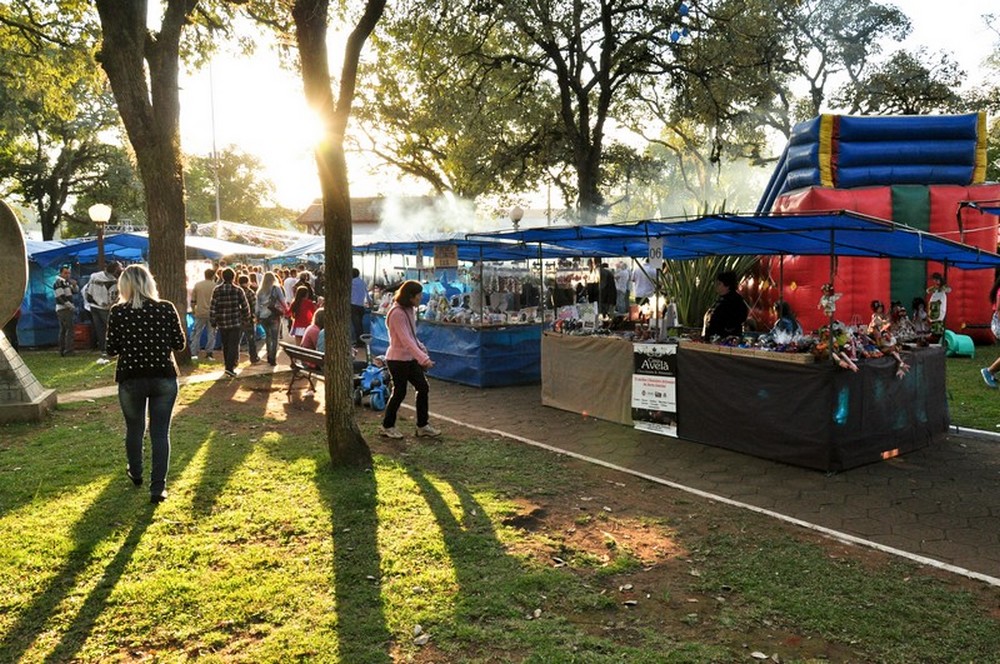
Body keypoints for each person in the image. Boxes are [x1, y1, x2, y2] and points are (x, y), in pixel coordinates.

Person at [104, 264, 186, 504]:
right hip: (163, 376)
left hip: (131, 378)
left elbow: (111, 350)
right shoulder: (166, 308)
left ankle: (136, 472)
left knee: (134, 429)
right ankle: (158, 487)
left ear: (124, 286)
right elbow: (179, 344)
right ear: (150, 282)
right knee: (160, 433)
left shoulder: (118, 312)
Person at [381, 280, 440, 440]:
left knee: (423, 387)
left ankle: (422, 425)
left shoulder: (409, 310)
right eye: (418, 295)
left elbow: (412, 337)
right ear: (410, 296)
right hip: (397, 360)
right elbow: (406, 340)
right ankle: (388, 426)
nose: (421, 298)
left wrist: (422, 350)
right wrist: (423, 359)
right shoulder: (397, 313)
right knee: (399, 392)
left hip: (410, 358)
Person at [209, 267, 251, 377]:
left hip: (222, 322)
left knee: (226, 345)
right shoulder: (238, 290)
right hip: (235, 321)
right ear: (233, 277)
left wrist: (213, 320)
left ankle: (228, 365)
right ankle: (229, 367)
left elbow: (213, 306)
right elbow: (245, 306)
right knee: (233, 344)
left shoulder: (217, 290)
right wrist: (246, 318)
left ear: (222, 276)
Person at [83, 260, 122, 354]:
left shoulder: (94, 276)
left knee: (99, 328)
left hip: (93, 305)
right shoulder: (113, 281)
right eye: (120, 267)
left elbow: (87, 290)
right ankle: (113, 347)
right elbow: (113, 296)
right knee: (111, 327)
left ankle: (103, 348)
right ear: (115, 270)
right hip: (105, 307)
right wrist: (112, 304)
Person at [704, 270, 748, 340]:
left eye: (719, 284)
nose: (716, 286)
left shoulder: (735, 300)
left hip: (725, 338)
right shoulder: (721, 299)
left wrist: (727, 329)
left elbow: (741, 316)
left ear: (727, 286)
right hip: (714, 337)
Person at [255, 271, 286, 366]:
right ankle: (273, 357)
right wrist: (285, 310)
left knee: (268, 337)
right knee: (275, 338)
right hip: (274, 315)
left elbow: (257, 306)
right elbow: (282, 300)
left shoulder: (260, 291)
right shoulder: (276, 288)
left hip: (263, 316)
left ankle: (268, 355)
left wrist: (257, 316)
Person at [190, 267, 218, 360]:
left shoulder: (198, 285)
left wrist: (193, 309)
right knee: (211, 333)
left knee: (197, 332)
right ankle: (209, 352)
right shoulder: (215, 286)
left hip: (200, 312)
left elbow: (193, 299)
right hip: (212, 313)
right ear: (213, 276)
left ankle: (194, 352)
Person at [53, 264, 79, 356]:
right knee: (69, 329)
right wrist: (70, 306)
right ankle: (68, 350)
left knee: (64, 330)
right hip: (63, 309)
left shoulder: (66, 283)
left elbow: (75, 292)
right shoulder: (58, 283)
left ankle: (63, 349)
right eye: (65, 273)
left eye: (69, 273)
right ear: (60, 273)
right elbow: (60, 297)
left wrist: (74, 285)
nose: (67, 275)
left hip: (65, 308)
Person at [237, 273, 259, 364]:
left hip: (237, 319)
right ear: (247, 282)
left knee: (237, 340)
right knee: (251, 340)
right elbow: (254, 306)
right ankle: (253, 358)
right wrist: (255, 316)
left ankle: (235, 358)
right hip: (248, 320)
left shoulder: (237, 291)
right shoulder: (250, 292)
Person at [927, 272, 950, 342]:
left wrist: (942, 287)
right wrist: (934, 288)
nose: (935, 281)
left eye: (936, 280)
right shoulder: (934, 288)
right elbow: (928, 291)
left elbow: (948, 290)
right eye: (934, 280)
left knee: (938, 320)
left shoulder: (943, 287)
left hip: (939, 306)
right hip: (933, 306)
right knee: (933, 320)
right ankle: (933, 333)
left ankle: (937, 335)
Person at [350, 268, 371, 347]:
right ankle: (360, 340)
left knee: (356, 325)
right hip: (361, 306)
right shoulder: (363, 282)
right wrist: (369, 302)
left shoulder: (350, 283)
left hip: (353, 305)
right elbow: (367, 294)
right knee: (359, 324)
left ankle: (359, 341)